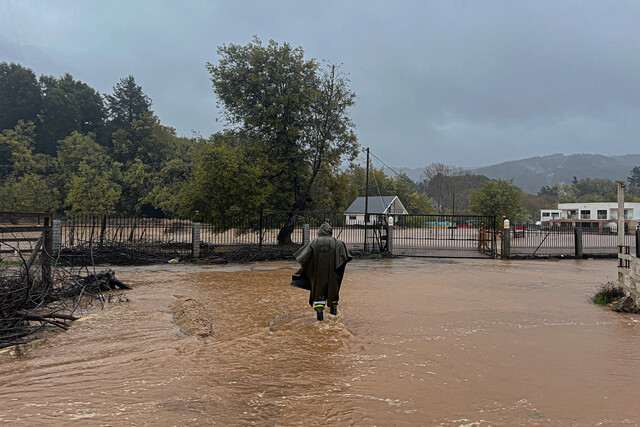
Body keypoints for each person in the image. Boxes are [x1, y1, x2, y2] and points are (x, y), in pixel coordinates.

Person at [292, 222, 352, 321]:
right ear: (330, 231)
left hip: (318, 276)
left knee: (318, 296)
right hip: (333, 275)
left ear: (319, 232)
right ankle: (334, 319)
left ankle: (320, 320)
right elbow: (345, 259)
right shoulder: (338, 243)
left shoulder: (313, 243)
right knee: (333, 295)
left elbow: (304, 259)